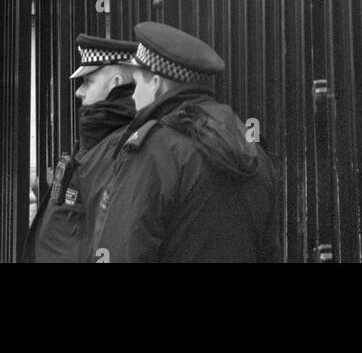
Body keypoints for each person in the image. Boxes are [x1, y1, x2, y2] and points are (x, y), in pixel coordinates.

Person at [90, 22, 281, 263]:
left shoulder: (155, 150)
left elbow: (123, 250)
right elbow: (269, 251)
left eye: (137, 85)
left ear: (156, 84)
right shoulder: (253, 150)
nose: (134, 96)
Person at [23, 34, 137, 263]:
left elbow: (110, 233)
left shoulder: (119, 145)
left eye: (88, 82)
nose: (79, 91)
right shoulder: (100, 136)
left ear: (115, 82)